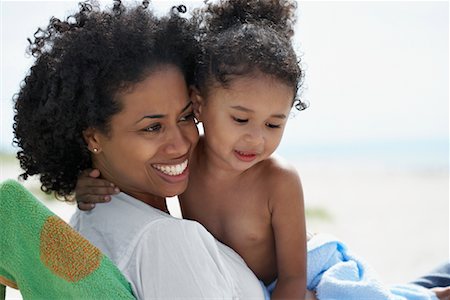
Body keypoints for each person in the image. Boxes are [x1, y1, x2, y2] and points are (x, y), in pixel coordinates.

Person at [12, 1, 266, 298]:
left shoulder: (85, 224)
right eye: (152, 127)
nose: (182, 142)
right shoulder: (165, 240)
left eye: (186, 117)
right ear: (93, 137)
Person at [76, 0, 309, 298]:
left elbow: (294, 277)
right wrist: (86, 184)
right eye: (240, 119)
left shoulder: (279, 181)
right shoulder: (189, 163)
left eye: (273, 125)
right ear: (201, 105)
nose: (256, 139)